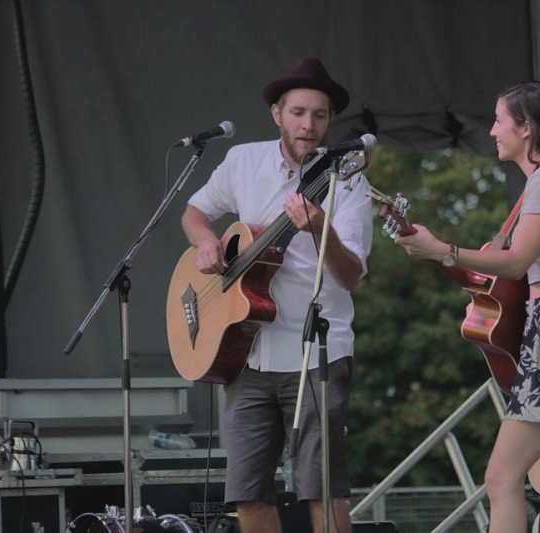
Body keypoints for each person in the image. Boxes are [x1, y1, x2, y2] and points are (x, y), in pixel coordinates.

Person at [394, 81, 540, 533]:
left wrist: (444, 250)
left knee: (501, 478)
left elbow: (517, 262)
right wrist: (437, 253)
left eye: (499, 120)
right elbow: (507, 273)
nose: (492, 131)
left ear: (526, 128)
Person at [181, 58, 373, 533]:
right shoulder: (242, 161)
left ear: (331, 121)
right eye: (298, 113)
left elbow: (350, 275)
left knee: (321, 488)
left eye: (320, 115)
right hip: (247, 350)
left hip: (315, 353)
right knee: (246, 491)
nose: (308, 125)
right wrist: (205, 242)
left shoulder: (348, 179)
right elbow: (194, 212)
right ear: (277, 114)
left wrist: (319, 228)